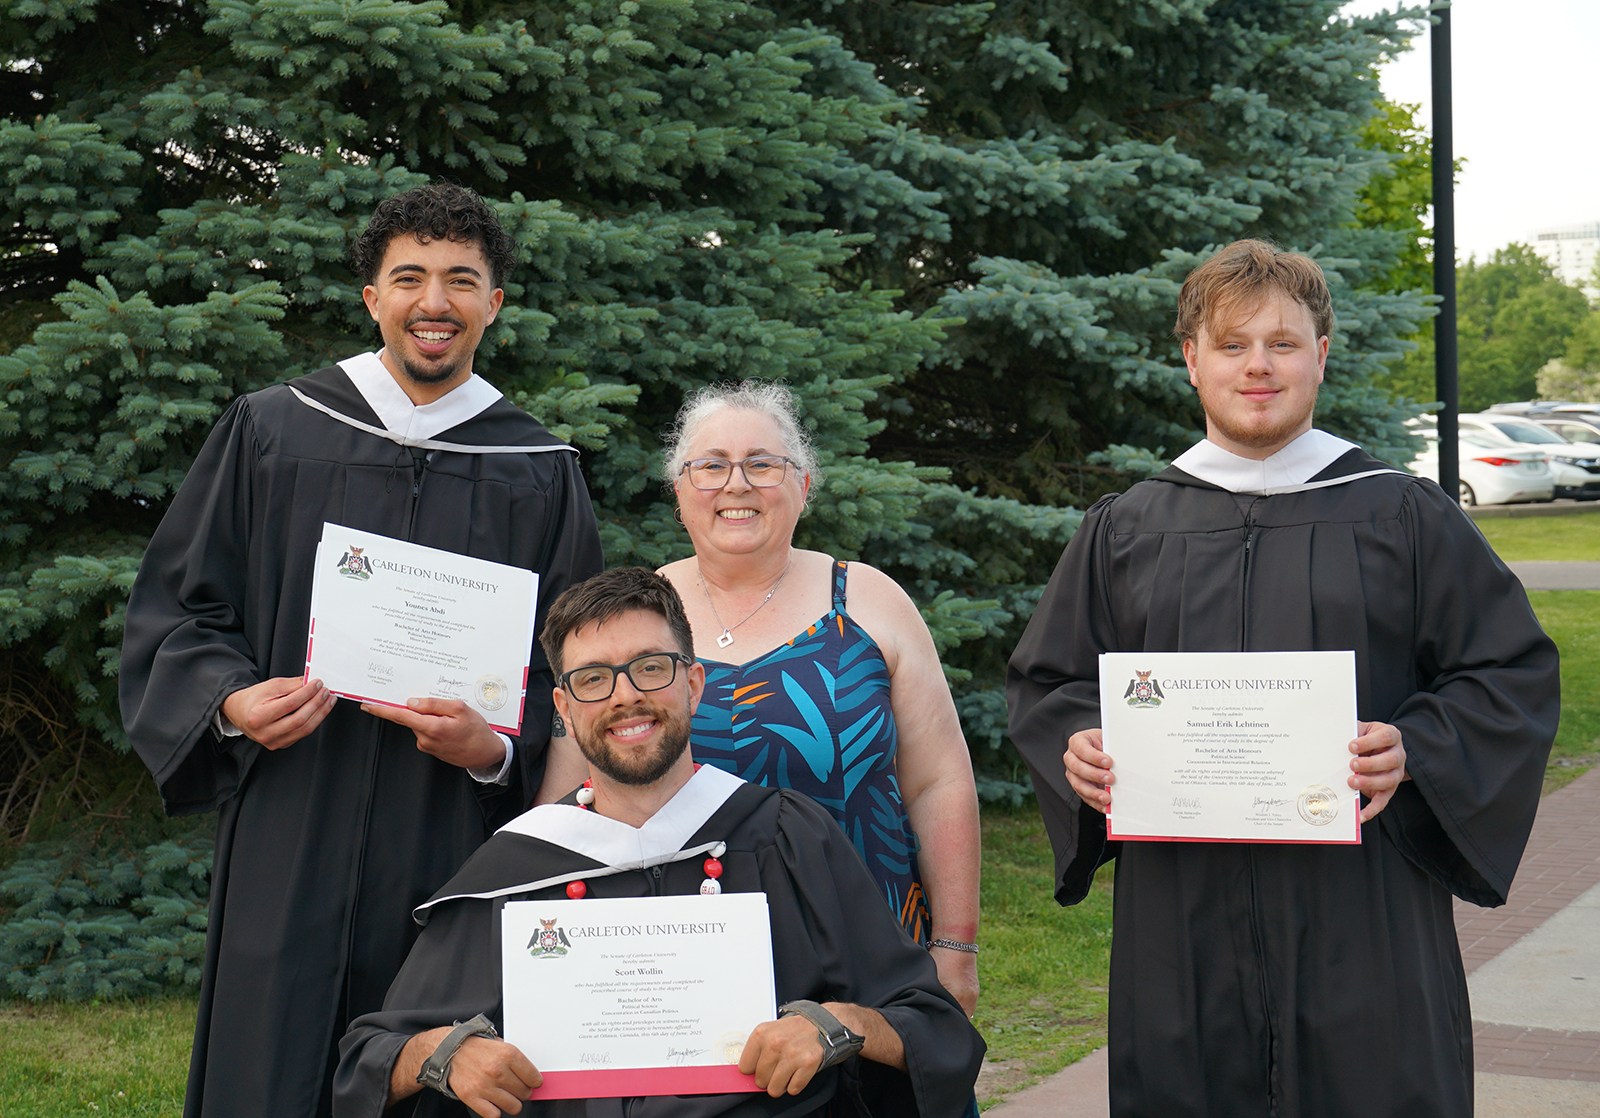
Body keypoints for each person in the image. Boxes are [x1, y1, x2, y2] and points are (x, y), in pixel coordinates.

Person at [1007, 239, 1560, 1118]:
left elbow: (1507, 670)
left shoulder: (1401, 513)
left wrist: (1417, 748)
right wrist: (1077, 744)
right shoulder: (1128, 527)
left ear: (1321, 355)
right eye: (1231, 345)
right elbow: (1054, 681)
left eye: (1283, 343)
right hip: (1181, 915)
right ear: (1192, 360)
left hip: (1364, 908)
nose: (1257, 366)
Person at [119, 181, 605, 1118]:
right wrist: (228, 701)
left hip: (453, 835)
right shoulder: (274, 431)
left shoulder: (536, 470)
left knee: (438, 1059)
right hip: (292, 814)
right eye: (410, 277)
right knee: (270, 1059)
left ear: (494, 305)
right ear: (372, 297)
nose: (436, 303)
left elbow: (573, 671)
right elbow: (181, 607)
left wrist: (498, 750)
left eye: (462, 281)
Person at [335, 567, 985, 1118]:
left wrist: (840, 1027)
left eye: (650, 668)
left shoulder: (788, 836)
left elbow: (934, 1026)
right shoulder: (518, 868)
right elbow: (371, 1055)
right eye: (594, 679)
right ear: (563, 707)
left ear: (694, 684)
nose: (626, 697)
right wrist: (443, 1055)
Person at [543, 380, 982, 1015]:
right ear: (680, 492)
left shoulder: (868, 600)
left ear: (802, 485)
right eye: (711, 466)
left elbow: (938, 781)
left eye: (762, 464)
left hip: (872, 949)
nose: (737, 484)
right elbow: (568, 798)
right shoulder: (633, 614)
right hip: (676, 962)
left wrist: (955, 946)